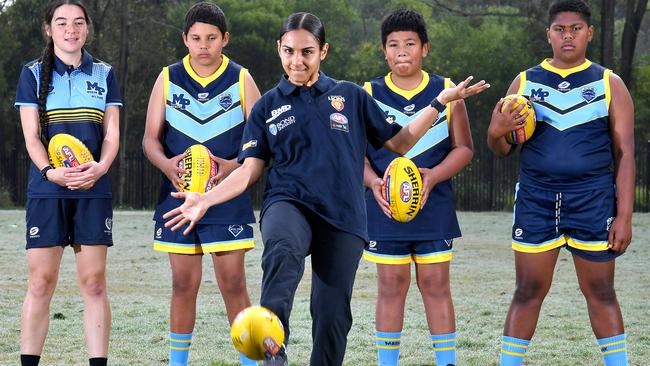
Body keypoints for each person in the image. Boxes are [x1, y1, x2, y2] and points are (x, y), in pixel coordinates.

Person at [163, 12, 488, 366]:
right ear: (279, 49)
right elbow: (248, 170)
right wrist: (205, 200)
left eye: (306, 52)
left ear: (323, 52)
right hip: (288, 204)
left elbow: (400, 141)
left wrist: (440, 102)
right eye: (288, 51)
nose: (296, 61)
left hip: (343, 216)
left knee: (332, 316)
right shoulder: (267, 106)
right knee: (283, 250)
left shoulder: (349, 96)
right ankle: (272, 347)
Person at [487, 1, 635, 365]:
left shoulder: (608, 82)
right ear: (548, 34)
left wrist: (625, 215)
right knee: (527, 291)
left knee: (601, 291)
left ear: (589, 33)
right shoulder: (525, 82)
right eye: (560, 29)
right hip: (537, 198)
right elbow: (500, 148)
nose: (568, 35)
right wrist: (497, 131)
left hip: (593, 199)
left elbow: (625, 154)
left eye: (576, 28)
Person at [142, 2, 262, 366]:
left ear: (225, 39)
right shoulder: (167, 77)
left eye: (211, 37)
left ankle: (250, 360)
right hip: (178, 197)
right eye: (196, 38)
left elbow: (260, 143)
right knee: (182, 284)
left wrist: (233, 166)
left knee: (233, 284)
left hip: (226, 198)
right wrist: (166, 166)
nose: (204, 45)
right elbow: (150, 139)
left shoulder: (242, 79)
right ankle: (177, 362)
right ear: (185, 39)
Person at [362, 9, 473, 366]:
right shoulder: (369, 92)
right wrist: (374, 182)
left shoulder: (447, 90)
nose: (402, 51)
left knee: (436, 287)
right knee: (391, 287)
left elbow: (464, 149)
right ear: (384, 51)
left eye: (410, 43)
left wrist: (434, 176)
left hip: (434, 204)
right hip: (385, 207)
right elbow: (355, 154)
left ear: (425, 47)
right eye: (393, 45)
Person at [14, 1, 121, 365]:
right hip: (48, 188)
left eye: (77, 22)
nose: (70, 29)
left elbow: (112, 134)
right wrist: (50, 172)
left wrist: (101, 167)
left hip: (93, 188)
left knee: (93, 284)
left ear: (87, 28)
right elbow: (31, 137)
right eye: (61, 23)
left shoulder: (105, 73)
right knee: (41, 283)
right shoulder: (31, 73)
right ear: (49, 29)